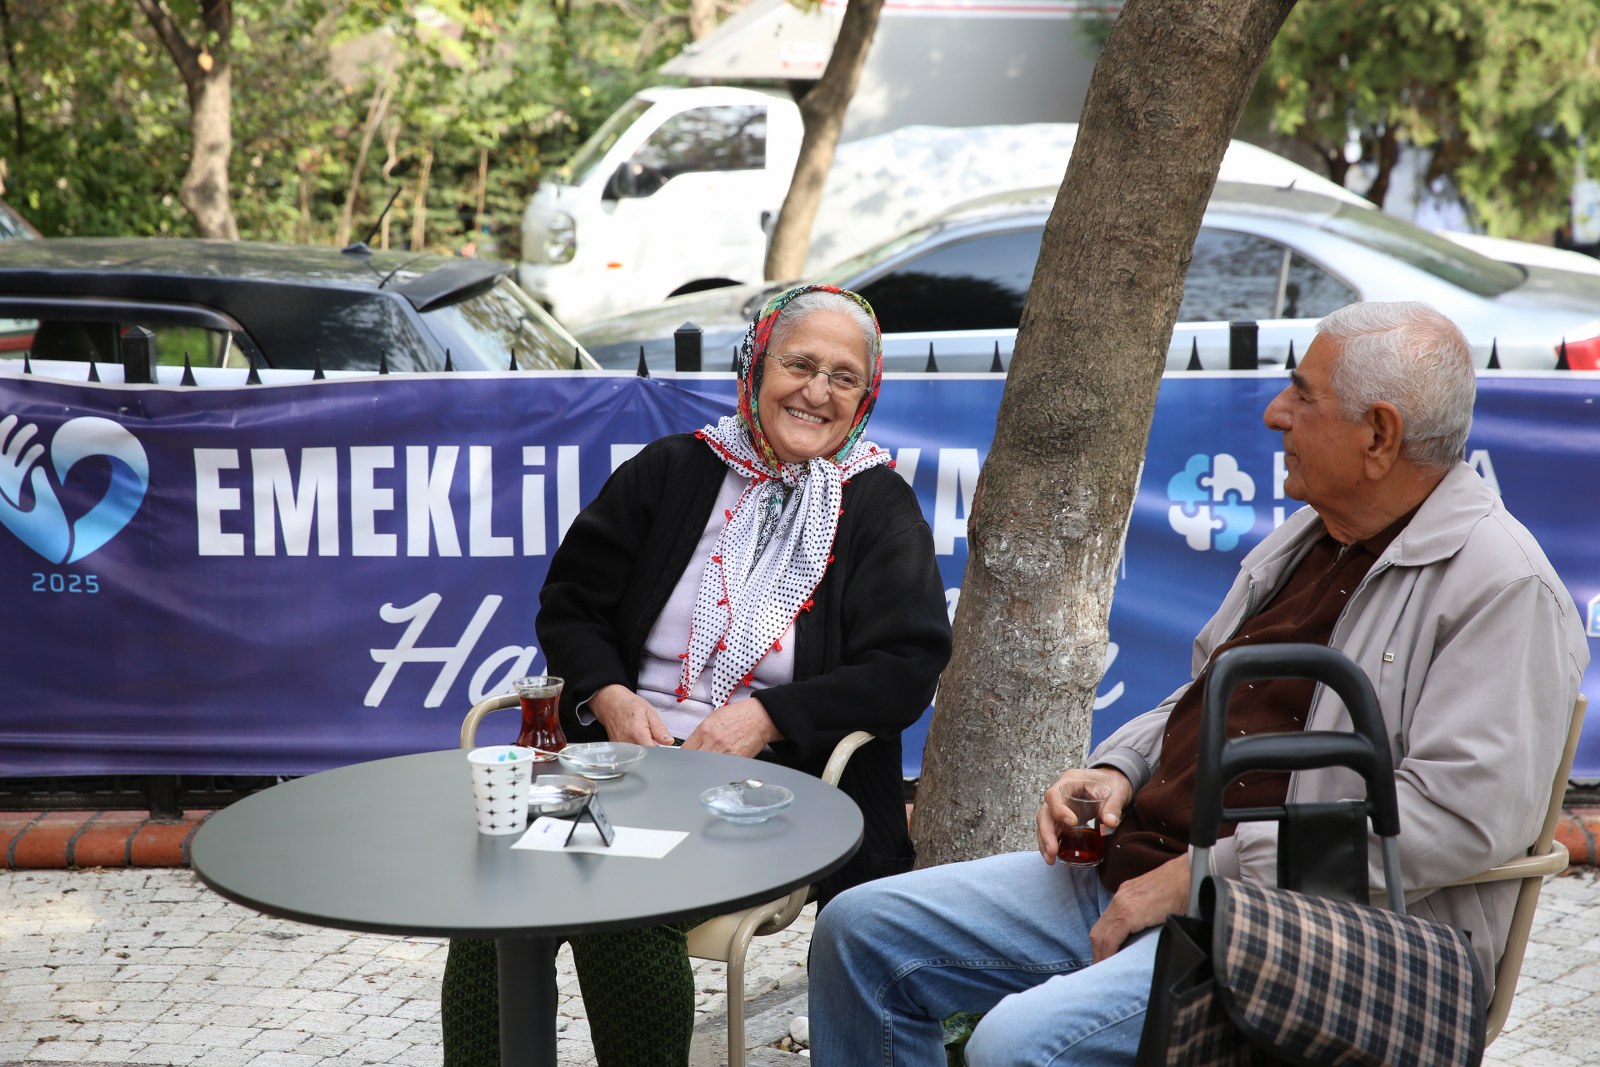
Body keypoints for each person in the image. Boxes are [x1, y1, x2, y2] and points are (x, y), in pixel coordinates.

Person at [808, 300, 1590, 1066]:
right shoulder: (1316, 532)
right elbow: (1204, 696)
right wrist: (1119, 768)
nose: (1276, 412)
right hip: (1153, 870)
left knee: (1019, 1043)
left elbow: (1452, 819)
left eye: (1304, 395)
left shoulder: (1503, 585)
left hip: (1320, 933)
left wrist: (1205, 876)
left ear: (1379, 434)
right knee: (860, 930)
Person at [440, 284, 952, 1065]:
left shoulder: (877, 505)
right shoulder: (673, 471)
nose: (817, 391)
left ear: (866, 395)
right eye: (800, 364)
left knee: (628, 899)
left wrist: (767, 715)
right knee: (497, 896)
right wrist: (609, 696)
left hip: (770, 786)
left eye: (843, 376)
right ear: (755, 367)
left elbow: (906, 667)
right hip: (617, 760)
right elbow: (570, 606)